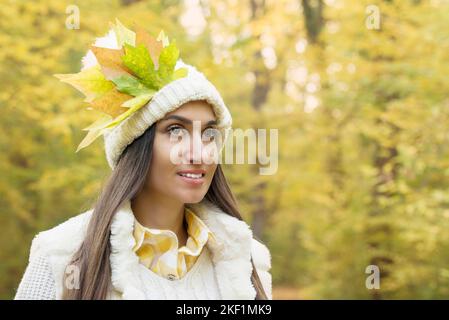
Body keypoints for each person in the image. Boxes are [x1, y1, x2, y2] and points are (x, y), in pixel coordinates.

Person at [14, 20, 272, 300]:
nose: (200, 153)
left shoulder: (245, 259)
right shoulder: (62, 255)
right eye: (176, 130)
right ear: (136, 145)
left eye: (209, 133)